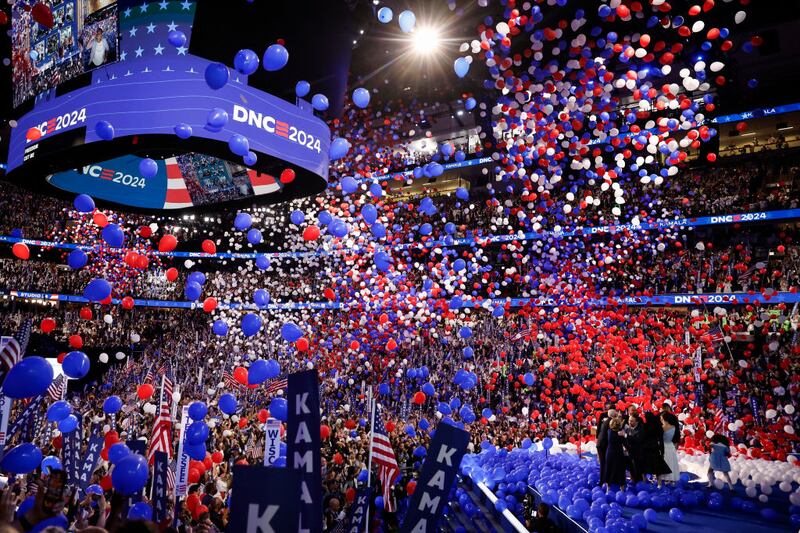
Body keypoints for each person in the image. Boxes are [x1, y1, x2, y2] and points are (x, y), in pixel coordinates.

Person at [639, 412, 671, 483]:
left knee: (644, 467)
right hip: (655, 448)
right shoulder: (658, 427)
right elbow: (661, 440)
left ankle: (644, 482)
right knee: (657, 468)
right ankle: (659, 483)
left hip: (645, 448)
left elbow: (641, 438)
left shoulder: (644, 426)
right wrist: (662, 452)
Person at [604, 417, 628, 490]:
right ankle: (622, 487)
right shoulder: (620, 434)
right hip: (618, 453)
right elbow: (625, 442)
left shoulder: (609, 431)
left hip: (610, 453)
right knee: (620, 470)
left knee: (609, 469)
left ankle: (608, 488)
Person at [658, 412, 681, 486]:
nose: (660, 419)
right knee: (671, 463)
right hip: (671, 446)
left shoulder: (662, 427)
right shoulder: (674, 427)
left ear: (664, 418)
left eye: (661, 418)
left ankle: (664, 479)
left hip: (663, 446)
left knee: (664, 463)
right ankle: (671, 480)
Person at [624, 415, 645, 483]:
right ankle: (634, 481)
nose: (630, 422)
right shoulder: (628, 428)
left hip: (638, 453)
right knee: (632, 469)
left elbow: (637, 440)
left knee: (637, 470)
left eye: (632, 421)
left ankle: (639, 483)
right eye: (629, 420)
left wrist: (625, 435)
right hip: (629, 452)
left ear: (637, 422)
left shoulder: (640, 429)